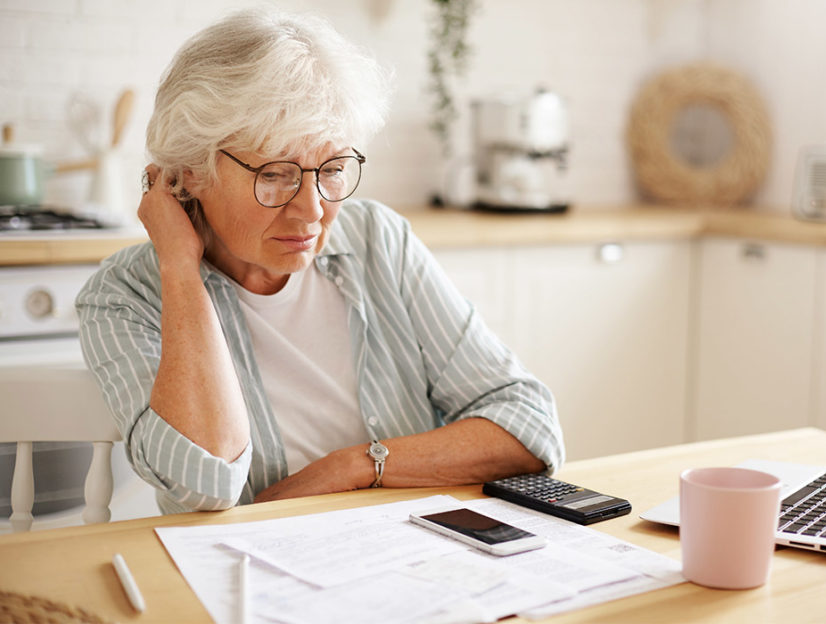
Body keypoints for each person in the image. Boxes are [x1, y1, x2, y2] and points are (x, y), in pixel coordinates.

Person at [76, 9, 564, 515]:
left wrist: (352, 468)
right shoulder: (124, 294)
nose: (312, 210)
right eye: (275, 174)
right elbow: (205, 482)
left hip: (409, 554)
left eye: (332, 169)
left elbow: (528, 427)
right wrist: (179, 267)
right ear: (191, 171)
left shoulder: (377, 240)